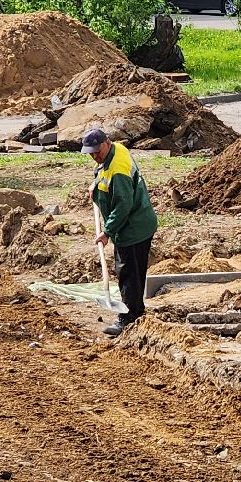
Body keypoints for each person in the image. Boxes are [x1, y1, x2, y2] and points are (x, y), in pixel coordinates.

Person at [83, 127, 158, 338]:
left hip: (134, 227)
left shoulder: (118, 170)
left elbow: (122, 206)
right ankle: (135, 310)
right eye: (90, 153)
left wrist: (106, 232)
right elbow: (104, 175)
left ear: (106, 142)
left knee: (129, 273)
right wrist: (96, 185)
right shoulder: (116, 150)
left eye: (97, 151)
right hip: (132, 224)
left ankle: (129, 317)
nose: (94, 156)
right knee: (130, 272)